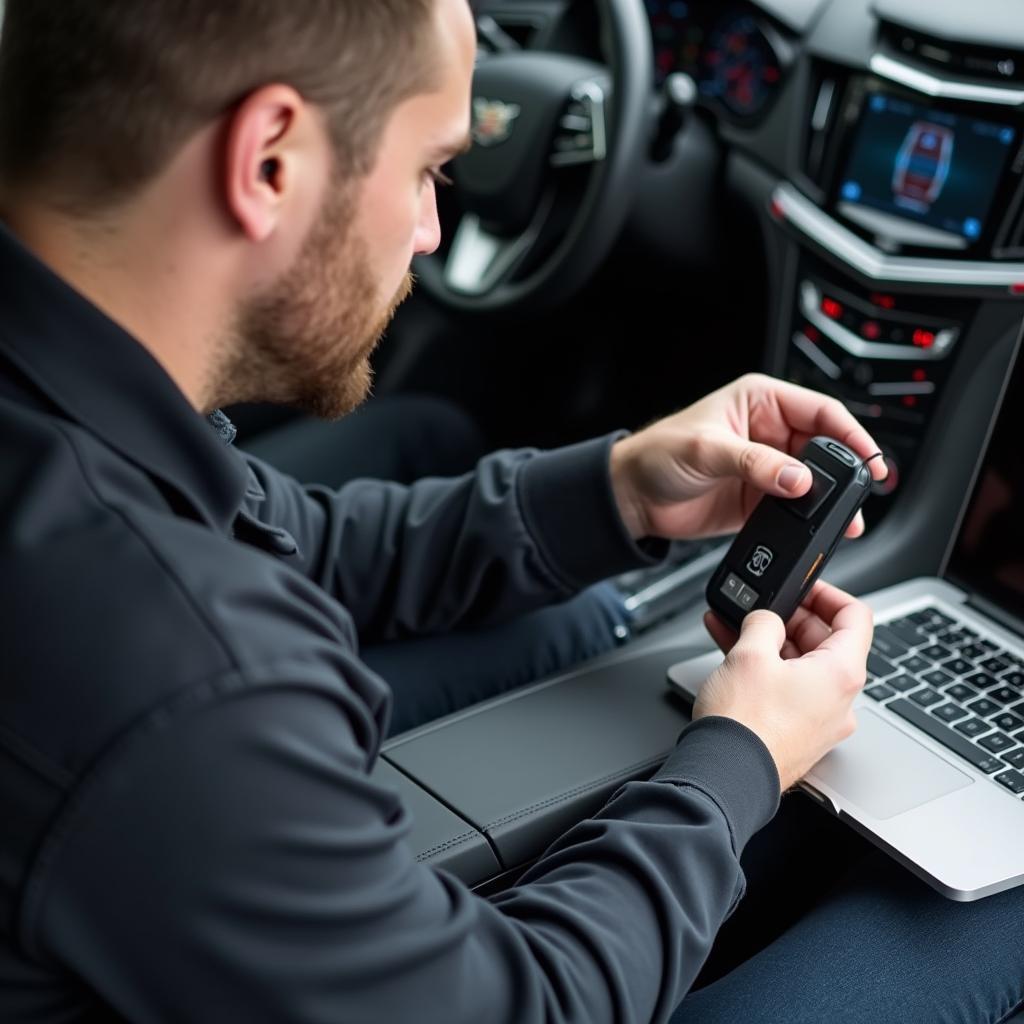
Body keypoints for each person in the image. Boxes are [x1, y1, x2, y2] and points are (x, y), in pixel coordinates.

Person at [0, 2, 1021, 1023]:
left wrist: (620, 487)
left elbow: (284, 538)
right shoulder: (184, 684)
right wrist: (737, 761)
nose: (433, 229)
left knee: (576, 625)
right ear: (268, 161)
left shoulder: (76, 411)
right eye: (427, 171)